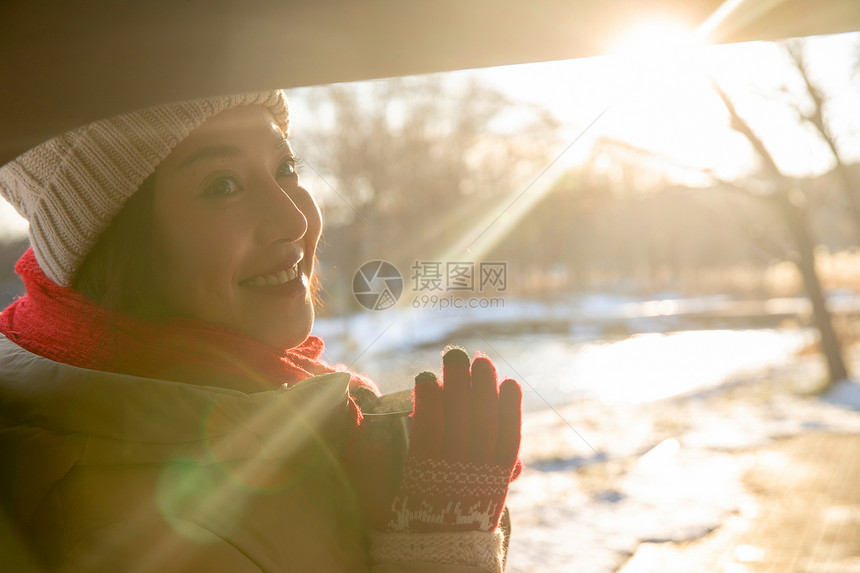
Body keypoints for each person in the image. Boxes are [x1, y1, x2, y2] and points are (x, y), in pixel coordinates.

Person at [0, 90, 522, 572]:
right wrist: (439, 553)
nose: (295, 219)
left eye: (286, 166)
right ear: (116, 246)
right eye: (222, 185)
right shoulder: (121, 531)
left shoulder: (279, 408)